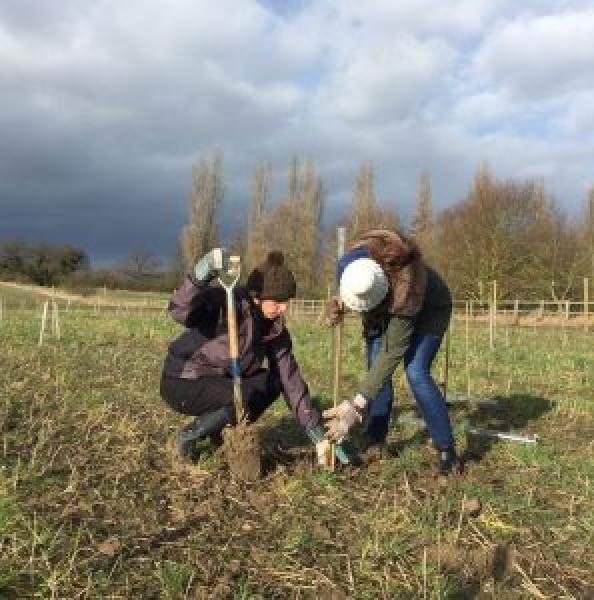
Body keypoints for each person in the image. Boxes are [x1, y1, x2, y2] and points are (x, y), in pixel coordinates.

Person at [160, 248, 341, 467]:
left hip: (222, 384)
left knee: (272, 382)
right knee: (244, 397)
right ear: (257, 297)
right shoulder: (226, 303)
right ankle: (187, 436)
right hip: (183, 381)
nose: (283, 309)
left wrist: (313, 428)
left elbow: (289, 378)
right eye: (276, 302)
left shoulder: (275, 330)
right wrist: (201, 275)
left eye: (286, 302)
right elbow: (180, 310)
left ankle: (220, 430)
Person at [323, 229, 460, 475]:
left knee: (415, 372)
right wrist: (341, 300)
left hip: (429, 308)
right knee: (376, 367)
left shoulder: (408, 286)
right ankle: (375, 439)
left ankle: (446, 449)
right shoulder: (352, 263)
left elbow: (392, 353)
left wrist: (355, 407)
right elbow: (354, 285)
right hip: (383, 307)